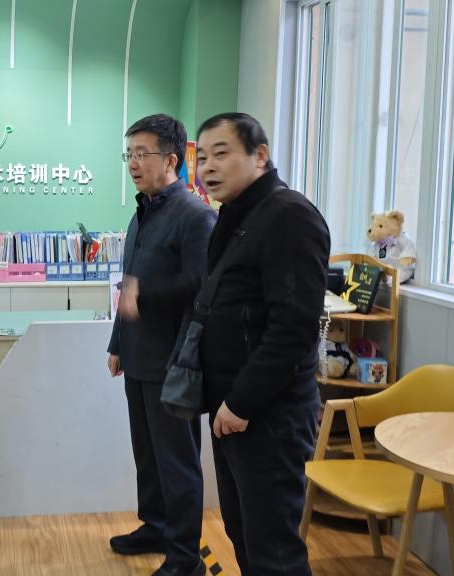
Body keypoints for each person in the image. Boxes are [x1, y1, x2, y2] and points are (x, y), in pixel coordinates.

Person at [120, 113, 330, 575]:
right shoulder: (236, 216)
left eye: (222, 153)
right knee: (244, 535)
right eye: (204, 157)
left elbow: (293, 329)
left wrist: (241, 401)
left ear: (260, 155)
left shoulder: (288, 215)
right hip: (232, 410)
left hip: (265, 414)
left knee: (273, 550)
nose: (209, 167)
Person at [107, 114, 215, 576]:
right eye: (129, 154)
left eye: (142, 154)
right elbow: (128, 285)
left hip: (173, 362)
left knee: (177, 463)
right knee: (147, 455)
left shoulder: (196, 216)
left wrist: (144, 296)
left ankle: (185, 556)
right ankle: (154, 526)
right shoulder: (142, 211)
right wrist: (117, 342)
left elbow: (202, 288)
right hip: (137, 356)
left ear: (171, 160)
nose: (133, 163)